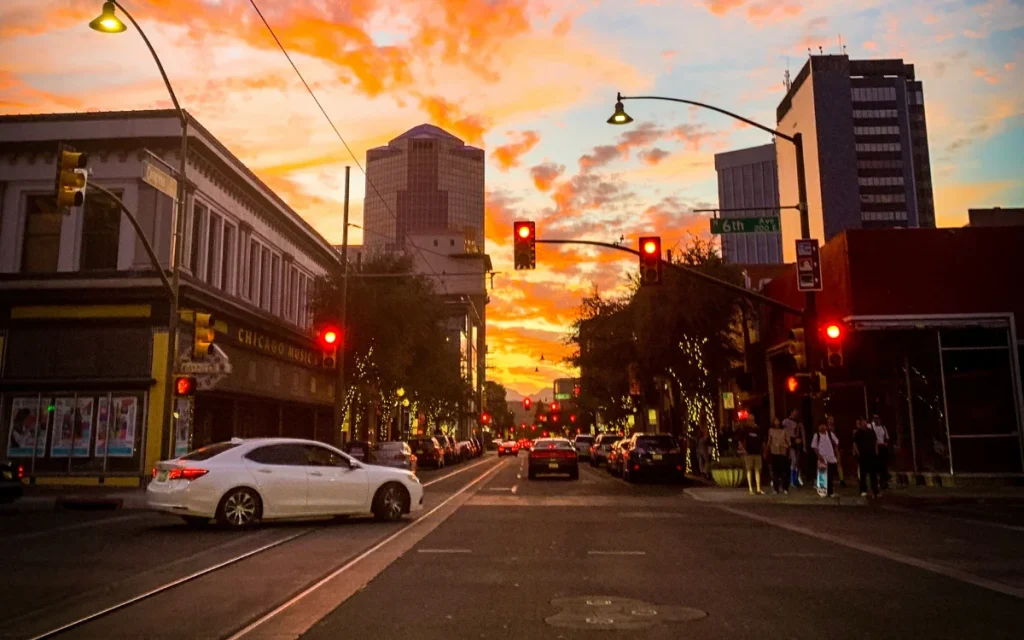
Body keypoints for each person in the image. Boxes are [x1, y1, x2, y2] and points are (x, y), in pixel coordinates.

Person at [811, 422, 840, 498]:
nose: (822, 427)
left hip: (830, 457)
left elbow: (836, 443)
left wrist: (837, 454)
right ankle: (822, 492)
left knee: (830, 475)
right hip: (822, 457)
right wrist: (819, 456)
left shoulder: (830, 434)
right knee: (822, 475)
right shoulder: (816, 435)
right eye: (820, 425)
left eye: (823, 425)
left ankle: (830, 492)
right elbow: (814, 447)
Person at [852, 418, 879, 498]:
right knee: (863, 474)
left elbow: (875, 442)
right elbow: (855, 443)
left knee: (873, 474)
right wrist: (858, 453)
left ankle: (875, 490)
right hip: (863, 455)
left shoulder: (871, 431)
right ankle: (863, 490)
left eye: (865, 421)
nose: (864, 423)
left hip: (871, 455)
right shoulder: (858, 432)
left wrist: (876, 452)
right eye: (862, 422)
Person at [738, 420, 764, 495]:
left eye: (752, 419)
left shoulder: (757, 429)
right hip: (748, 453)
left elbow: (762, 440)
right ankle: (750, 488)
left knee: (757, 470)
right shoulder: (745, 430)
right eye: (750, 420)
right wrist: (743, 450)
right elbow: (739, 440)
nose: (751, 421)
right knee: (749, 470)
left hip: (757, 452)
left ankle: (758, 488)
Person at [767, 417, 790, 494]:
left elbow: (788, 441)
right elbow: (769, 441)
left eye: (778, 420)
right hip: (774, 452)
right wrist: (767, 449)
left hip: (783, 452)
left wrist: (786, 445)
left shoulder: (784, 430)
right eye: (775, 421)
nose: (777, 422)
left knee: (784, 471)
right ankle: (775, 489)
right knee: (775, 472)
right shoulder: (771, 430)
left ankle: (785, 488)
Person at [782, 409, 805, 487]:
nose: (795, 415)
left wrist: (804, 445)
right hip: (789, 441)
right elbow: (784, 432)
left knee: (797, 462)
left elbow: (802, 434)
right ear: (791, 413)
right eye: (794, 413)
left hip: (796, 442)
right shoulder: (786, 421)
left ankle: (795, 479)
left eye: (797, 414)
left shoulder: (799, 423)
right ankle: (791, 480)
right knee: (793, 460)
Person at [871, 413, 890, 491]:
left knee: (883, 465)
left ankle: (883, 482)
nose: (877, 419)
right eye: (875, 418)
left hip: (882, 447)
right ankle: (876, 482)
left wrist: (886, 443)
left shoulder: (883, 427)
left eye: (878, 418)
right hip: (875, 447)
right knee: (876, 466)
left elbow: (886, 437)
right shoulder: (871, 427)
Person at [827, 416, 845, 487]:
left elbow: (839, 439)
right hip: (828, 449)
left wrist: (840, 449)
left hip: (836, 449)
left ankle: (842, 480)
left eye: (832, 419)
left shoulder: (837, 429)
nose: (831, 421)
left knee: (839, 463)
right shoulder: (825, 429)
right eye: (830, 419)